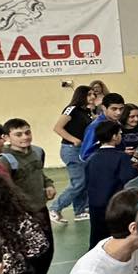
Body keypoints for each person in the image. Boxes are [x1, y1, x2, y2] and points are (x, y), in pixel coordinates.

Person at [0, 118, 57, 274]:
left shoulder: (37, 152)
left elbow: (41, 173)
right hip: (25, 213)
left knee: (47, 248)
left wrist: (49, 184)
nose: (25, 137)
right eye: (18, 134)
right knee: (29, 253)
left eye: (27, 132)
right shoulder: (5, 160)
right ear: (7, 137)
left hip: (41, 208)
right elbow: (5, 189)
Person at [84, 120, 137, 247]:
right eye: (119, 133)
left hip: (95, 204)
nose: (120, 136)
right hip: (114, 205)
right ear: (114, 136)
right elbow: (129, 179)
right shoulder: (121, 157)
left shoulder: (91, 158)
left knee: (97, 237)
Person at [50, 84, 95, 225]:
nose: (93, 97)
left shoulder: (86, 112)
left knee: (84, 181)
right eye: (89, 94)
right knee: (79, 182)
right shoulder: (72, 109)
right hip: (71, 149)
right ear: (81, 96)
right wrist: (73, 139)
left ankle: (80, 211)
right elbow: (58, 128)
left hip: (82, 150)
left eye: (93, 94)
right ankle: (55, 208)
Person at [80, 92, 126, 160]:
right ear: (104, 107)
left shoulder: (117, 123)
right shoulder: (95, 127)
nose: (118, 112)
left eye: (121, 109)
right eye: (114, 109)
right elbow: (85, 155)